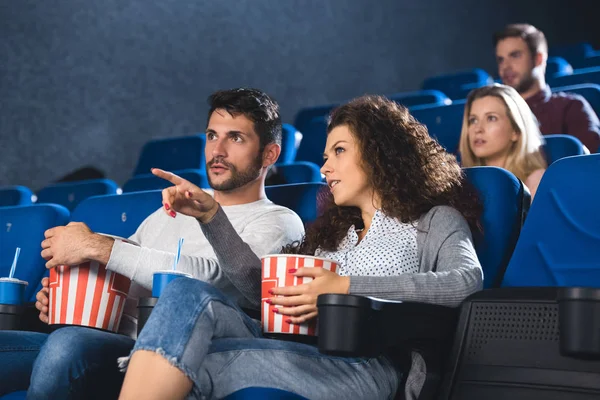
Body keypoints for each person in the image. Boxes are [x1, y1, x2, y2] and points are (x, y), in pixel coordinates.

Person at [118, 95, 484, 400]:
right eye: (325, 156)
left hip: (367, 362)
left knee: (186, 364)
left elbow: (464, 282)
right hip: (298, 348)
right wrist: (212, 216)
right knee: (185, 293)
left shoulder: (434, 220)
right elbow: (260, 290)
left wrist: (344, 287)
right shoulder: (331, 235)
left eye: (339, 151)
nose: (325, 167)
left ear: (380, 154)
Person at [0, 88, 305, 399]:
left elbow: (214, 282)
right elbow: (127, 270)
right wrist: (67, 294)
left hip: (165, 357)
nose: (218, 150)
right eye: (212, 135)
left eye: (236, 138)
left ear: (269, 154)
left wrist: (97, 246)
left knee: (67, 344)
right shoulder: (170, 209)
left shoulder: (279, 221)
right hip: (111, 337)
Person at [494, 23, 600, 152]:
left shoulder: (571, 107)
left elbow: (587, 165)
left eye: (515, 55)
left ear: (538, 59)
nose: (505, 66)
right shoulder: (493, 115)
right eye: (501, 60)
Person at [459, 84, 547, 199]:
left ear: (515, 131)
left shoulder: (537, 181)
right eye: (473, 120)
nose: (478, 129)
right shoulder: (460, 183)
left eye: (491, 118)